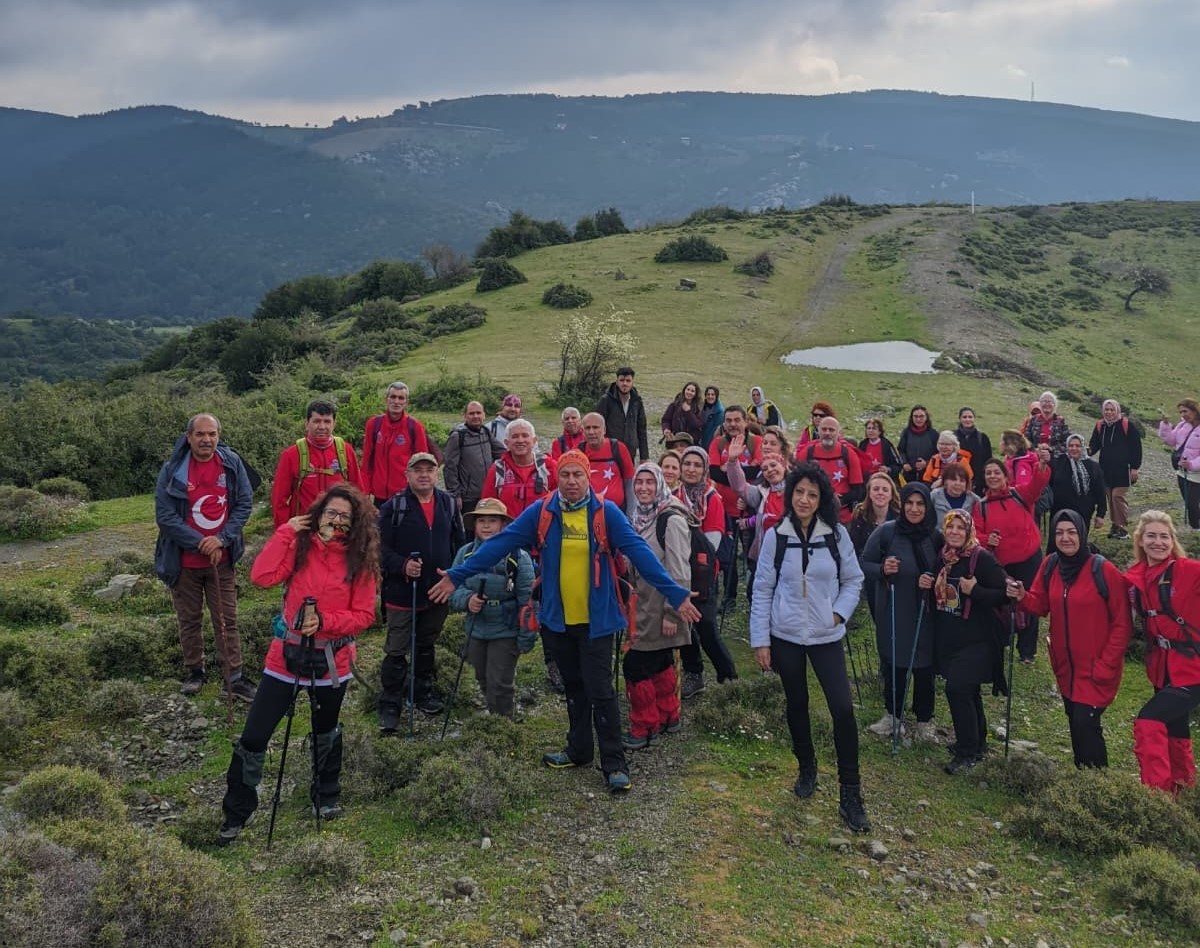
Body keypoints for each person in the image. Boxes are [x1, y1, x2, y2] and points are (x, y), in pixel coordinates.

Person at [428, 450, 701, 794]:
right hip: (558, 621)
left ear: (589, 478)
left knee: (601, 691)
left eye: (578, 475)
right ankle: (579, 750)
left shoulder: (606, 513)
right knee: (574, 687)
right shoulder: (543, 511)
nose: (571, 482)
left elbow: (641, 555)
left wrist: (675, 594)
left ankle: (614, 763)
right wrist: (457, 574)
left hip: (597, 622)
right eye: (566, 475)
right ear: (558, 477)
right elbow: (499, 544)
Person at [218, 483, 379, 845]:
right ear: (317, 515)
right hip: (285, 657)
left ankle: (326, 796)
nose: (336, 521)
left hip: (332, 660)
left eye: (345, 516)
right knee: (255, 735)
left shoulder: (361, 559)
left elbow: (365, 614)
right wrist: (285, 532)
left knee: (326, 729)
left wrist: (325, 622)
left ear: (355, 523)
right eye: (330, 513)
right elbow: (261, 577)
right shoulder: (298, 545)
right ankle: (236, 812)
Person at [750, 464, 869, 832]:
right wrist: (761, 640)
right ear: (790, 495)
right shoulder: (776, 536)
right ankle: (806, 768)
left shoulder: (836, 535)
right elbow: (763, 588)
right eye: (799, 492)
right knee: (796, 704)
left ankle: (851, 793)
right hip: (785, 635)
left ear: (822, 501)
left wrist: (838, 615)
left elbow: (854, 580)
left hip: (825, 637)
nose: (804, 500)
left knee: (843, 710)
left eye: (812, 494)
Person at [1008, 511, 1131, 769]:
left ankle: (1099, 787)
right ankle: (1084, 783)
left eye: (1072, 532)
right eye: (1060, 533)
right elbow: (1040, 605)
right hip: (1066, 668)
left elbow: (1122, 624)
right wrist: (1022, 596)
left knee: (1085, 724)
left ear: (1082, 533)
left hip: (1096, 669)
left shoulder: (1102, 569)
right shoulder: (1051, 564)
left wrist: (1106, 664)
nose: (1065, 538)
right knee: (1075, 721)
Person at [155, 413, 257, 701]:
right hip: (183, 563)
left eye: (212, 434)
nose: (206, 439)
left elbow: (244, 504)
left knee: (227, 618)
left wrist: (222, 540)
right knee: (189, 619)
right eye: (200, 434)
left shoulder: (231, 463)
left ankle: (234, 677)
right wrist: (201, 543)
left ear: (218, 436)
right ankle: (195, 671)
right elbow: (165, 517)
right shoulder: (173, 469)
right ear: (189, 437)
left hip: (221, 561)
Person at [376, 453, 465, 729]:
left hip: (438, 591)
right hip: (402, 593)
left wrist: (455, 575)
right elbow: (379, 550)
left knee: (426, 644)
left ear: (436, 474)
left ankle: (421, 693)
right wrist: (402, 565)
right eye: (418, 470)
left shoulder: (449, 504)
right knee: (396, 649)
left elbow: (460, 545)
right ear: (408, 475)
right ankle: (390, 704)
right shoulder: (394, 507)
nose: (424, 475)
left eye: (429, 470)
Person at [1125, 510, 1200, 793]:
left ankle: (1158, 798)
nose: (1158, 542)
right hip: (1162, 669)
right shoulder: (1136, 578)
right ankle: (1186, 791)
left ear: (1172, 541)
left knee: (1149, 720)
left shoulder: (1188, 570)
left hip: (1192, 669)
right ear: (1141, 541)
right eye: (1151, 536)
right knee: (1175, 729)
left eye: (1164, 536)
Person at [861, 483, 942, 742]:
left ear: (928, 507)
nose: (915, 509)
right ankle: (892, 716)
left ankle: (924, 721)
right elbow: (863, 564)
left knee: (924, 667)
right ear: (902, 504)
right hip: (894, 609)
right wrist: (883, 568)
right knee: (895, 662)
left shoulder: (936, 537)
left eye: (920, 504)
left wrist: (934, 579)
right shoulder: (887, 533)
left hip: (926, 613)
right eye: (910, 503)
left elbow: (947, 569)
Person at [931, 510, 1009, 774]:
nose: (954, 532)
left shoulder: (982, 559)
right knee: (969, 690)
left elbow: (1004, 594)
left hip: (978, 639)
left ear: (969, 532)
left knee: (957, 690)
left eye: (960, 528)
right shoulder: (943, 558)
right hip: (951, 637)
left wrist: (975, 591)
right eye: (950, 527)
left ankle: (967, 753)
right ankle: (978, 743)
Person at [623, 462, 693, 748]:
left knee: (635, 666)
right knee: (661, 661)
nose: (643, 488)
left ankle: (644, 726)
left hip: (660, 609)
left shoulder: (670, 519)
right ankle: (669, 716)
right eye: (639, 482)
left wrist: (672, 615)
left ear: (661, 484)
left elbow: (679, 572)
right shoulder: (642, 517)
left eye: (650, 482)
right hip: (644, 606)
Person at [448, 498, 535, 719]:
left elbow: (529, 600)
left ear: (504, 525)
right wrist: (467, 600)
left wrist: (527, 636)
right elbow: (452, 589)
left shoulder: (517, 557)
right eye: (481, 520)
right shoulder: (465, 554)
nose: (486, 526)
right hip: (475, 628)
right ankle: (492, 716)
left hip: (506, 630)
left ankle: (503, 724)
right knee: (481, 677)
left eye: (492, 520)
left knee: (500, 682)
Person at [973, 449, 1052, 664]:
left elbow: (1037, 485)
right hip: (1000, 564)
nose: (992, 476)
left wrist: (1042, 465)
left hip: (1029, 559)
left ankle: (1027, 651)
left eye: (996, 472)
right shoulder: (980, 506)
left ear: (1005, 476)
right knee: (1002, 604)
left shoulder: (1020, 494)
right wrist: (988, 539)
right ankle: (1001, 642)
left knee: (1030, 603)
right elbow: (975, 534)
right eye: (988, 473)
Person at [676, 445, 737, 695]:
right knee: (684, 628)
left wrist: (680, 547)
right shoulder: (673, 496)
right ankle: (694, 674)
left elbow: (711, 543)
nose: (691, 469)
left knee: (707, 627)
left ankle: (729, 676)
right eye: (687, 464)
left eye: (697, 465)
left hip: (702, 576)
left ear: (704, 470)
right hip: (678, 575)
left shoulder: (712, 499)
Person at [270, 399, 364, 527]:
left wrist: (358, 526)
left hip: (338, 528)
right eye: (317, 421)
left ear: (334, 424)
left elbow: (358, 491)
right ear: (307, 423)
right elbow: (279, 500)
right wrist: (285, 530)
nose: (322, 427)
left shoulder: (345, 450)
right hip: (305, 529)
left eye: (327, 421)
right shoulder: (291, 455)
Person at [707, 405, 763, 608]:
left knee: (752, 556)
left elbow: (758, 473)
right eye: (728, 420)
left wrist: (729, 468)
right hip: (723, 509)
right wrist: (740, 471)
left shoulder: (757, 442)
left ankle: (754, 598)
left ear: (745, 422)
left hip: (749, 509)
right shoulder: (716, 443)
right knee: (726, 557)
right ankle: (729, 597)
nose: (732, 424)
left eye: (736, 420)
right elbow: (714, 473)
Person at [361, 382, 434, 505]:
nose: (396, 401)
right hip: (379, 495)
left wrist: (422, 492)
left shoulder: (414, 426)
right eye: (393, 397)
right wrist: (365, 491)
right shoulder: (374, 424)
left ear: (406, 402)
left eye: (401, 398)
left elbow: (423, 464)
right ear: (386, 399)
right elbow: (367, 461)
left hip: (406, 493)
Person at [1087, 398, 1142, 539]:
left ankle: (1122, 527)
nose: (1109, 412)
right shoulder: (1100, 426)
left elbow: (1137, 447)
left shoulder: (1126, 425)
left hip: (1124, 469)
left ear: (1117, 411)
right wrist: (1086, 451)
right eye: (1106, 409)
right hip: (1105, 470)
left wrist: (1135, 468)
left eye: (1112, 409)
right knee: (1110, 498)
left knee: (1118, 497)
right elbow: (1094, 445)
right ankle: (1115, 526)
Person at [481, 419, 558, 519]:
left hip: (540, 532)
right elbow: (487, 508)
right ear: (506, 443)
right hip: (508, 531)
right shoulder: (498, 469)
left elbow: (561, 501)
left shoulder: (549, 466)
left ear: (534, 441)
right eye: (514, 436)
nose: (520, 440)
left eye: (525, 435)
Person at [798, 415, 864, 525]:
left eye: (831, 430)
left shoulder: (849, 454)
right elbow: (797, 484)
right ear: (818, 431)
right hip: (811, 515)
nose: (827, 433)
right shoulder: (806, 453)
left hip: (841, 516)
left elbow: (858, 490)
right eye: (824, 429)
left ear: (838, 433)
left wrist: (837, 501)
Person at [443, 400, 505, 513]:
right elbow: (450, 467)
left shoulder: (485, 431)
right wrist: (455, 495)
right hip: (468, 498)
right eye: (471, 413)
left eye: (478, 413)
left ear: (484, 415)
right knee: (470, 529)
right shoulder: (457, 436)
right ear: (465, 416)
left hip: (488, 493)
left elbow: (502, 453)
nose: (475, 416)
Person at [1047, 434, 1106, 552]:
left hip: (1083, 513)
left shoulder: (1093, 467)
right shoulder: (1058, 463)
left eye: (1077, 446)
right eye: (1071, 445)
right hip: (1059, 512)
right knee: (1056, 542)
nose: (1074, 448)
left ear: (1083, 447)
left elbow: (1100, 492)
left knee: (1078, 542)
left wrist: (1100, 514)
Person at [1158, 399, 1200, 529]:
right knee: (1189, 503)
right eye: (1181, 412)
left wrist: (1192, 464)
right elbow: (1171, 440)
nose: (1183, 415)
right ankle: (1196, 529)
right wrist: (1165, 425)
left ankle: (1196, 529)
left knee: (1193, 504)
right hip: (1182, 471)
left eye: (1185, 411)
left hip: (1196, 474)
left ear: (1194, 410)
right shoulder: (1182, 425)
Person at [581, 412, 635, 512]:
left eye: (596, 427)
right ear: (583, 432)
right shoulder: (578, 452)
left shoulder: (618, 448)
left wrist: (631, 515)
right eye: (588, 428)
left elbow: (630, 483)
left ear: (604, 430)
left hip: (618, 512)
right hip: (587, 512)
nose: (591, 432)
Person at [595, 367, 649, 463]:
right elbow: (597, 425)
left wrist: (644, 456)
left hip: (630, 451)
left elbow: (641, 428)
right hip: (610, 450)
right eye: (622, 380)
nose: (625, 383)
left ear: (632, 382)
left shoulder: (637, 401)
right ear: (617, 381)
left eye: (628, 380)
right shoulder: (606, 400)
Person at [954, 408, 994, 497]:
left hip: (978, 484)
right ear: (960, 419)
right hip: (957, 482)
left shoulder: (983, 438)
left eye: (970, 417)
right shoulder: (953, 437)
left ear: (974, 418)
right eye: (964, 417)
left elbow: (988, 461)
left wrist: (985, 483)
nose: (967, 419)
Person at [897, 406, 938, 483]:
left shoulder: (933, 434)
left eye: (921, 416)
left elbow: (938, 454)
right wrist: (905, 463)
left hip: (928, 474)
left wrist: (926, 463)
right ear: (911, 418)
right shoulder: (906, 433)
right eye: (915, 416)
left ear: (926, 417)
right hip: (909, 474)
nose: (918, 419)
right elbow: (900, 450)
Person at [1025, 391, 1071, 459]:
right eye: (1044, 401)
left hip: (1055, 459)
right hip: (1035, 458)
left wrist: (1051, 449)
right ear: (1040, 404)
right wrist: (1035, 449)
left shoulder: (1061, 421)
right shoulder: (1033, 420)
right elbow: (1026, 440)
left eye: (1049, 402)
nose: (1046, 404)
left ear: (1055, 405)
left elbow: (1067, 442)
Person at [858, 417, 902, 483]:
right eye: (869, 428)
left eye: (874, 428)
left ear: (880, 431)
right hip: (867, 480)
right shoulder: (862, 445)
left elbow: (898, 465)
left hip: (884, 479)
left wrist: (888, 469)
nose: (871, 431)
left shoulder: (887, 445)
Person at [699, 386, 725, 451]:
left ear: (716, 396)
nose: (710, 396)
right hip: (700, 441)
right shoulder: (702, 406)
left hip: (710, 445)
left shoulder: (720, 412)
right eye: (708, 394)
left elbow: (716, 433)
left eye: (712, 394)